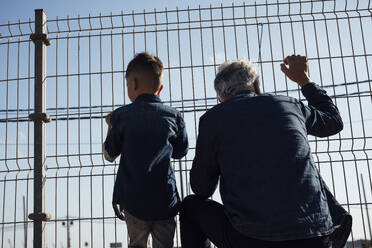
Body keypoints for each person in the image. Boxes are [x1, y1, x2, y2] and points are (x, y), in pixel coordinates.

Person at [180, 55, 352, 248]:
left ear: (220, 97)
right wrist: (304, 79)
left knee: (190, 206)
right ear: (256, 85)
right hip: (316, 235)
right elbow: (333, 122)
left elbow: (201, 188)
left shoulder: (212, 119)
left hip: (252, 239)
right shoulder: (291, 105)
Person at [103, 52, 189, 248]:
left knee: (137, 244)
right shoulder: (174, 117)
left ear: (133, 84)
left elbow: (109, 154)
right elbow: (180, 152)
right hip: (165, 200)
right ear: (160, 89)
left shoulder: (122, 116)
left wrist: (110, 126)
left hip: (133, 200)